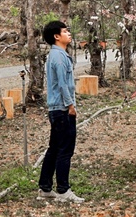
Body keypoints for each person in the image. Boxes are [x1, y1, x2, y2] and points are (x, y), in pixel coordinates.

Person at [37, 20, 85, 204]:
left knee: (55, 149)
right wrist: (70, 105)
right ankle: (63, 190)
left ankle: (45, 187)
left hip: (57, 109)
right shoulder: (58, 57)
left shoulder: (58, 55)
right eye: (65, 31)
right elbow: (63, 84)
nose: (69, 34)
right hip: (62, 109)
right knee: (65, 150)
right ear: (57, 36)